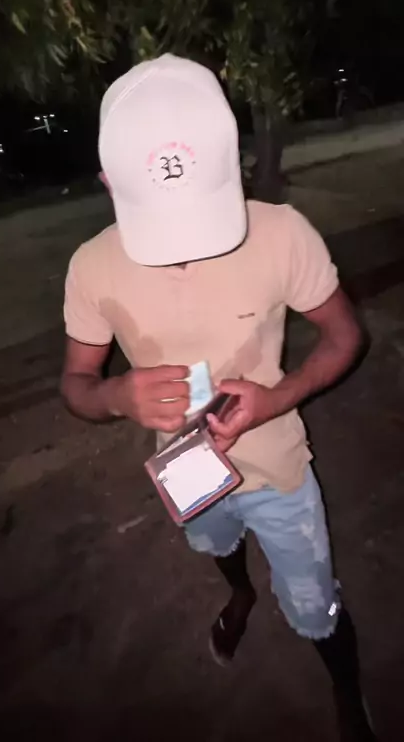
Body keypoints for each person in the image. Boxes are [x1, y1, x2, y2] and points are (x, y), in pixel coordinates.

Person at [61, 54, 375, 740]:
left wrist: (279, 397)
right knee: (216, 540)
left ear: (231, 161)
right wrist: (115, 393)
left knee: (317, 605)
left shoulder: (282, 232)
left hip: (277, 468)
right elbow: (75, 386)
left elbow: (346, 335)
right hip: (185, 470)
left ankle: (347, 694)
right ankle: (240, 590)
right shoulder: (91, 267)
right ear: (109, 181)